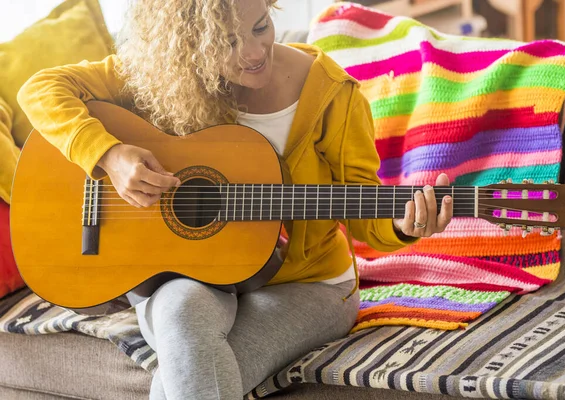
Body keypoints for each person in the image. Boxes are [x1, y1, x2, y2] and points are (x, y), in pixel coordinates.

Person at [17, 0, 453, 398]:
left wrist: (403, 225)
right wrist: (107, 155)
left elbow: (362, 205)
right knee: (184, 321)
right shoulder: (160, 74)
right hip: (187, 271)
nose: (253, 51)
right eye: (226, 42)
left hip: (305, 283)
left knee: (191, 375)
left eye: (261, 26)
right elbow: (40, 90)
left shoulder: (331, 95)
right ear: (186, 45)